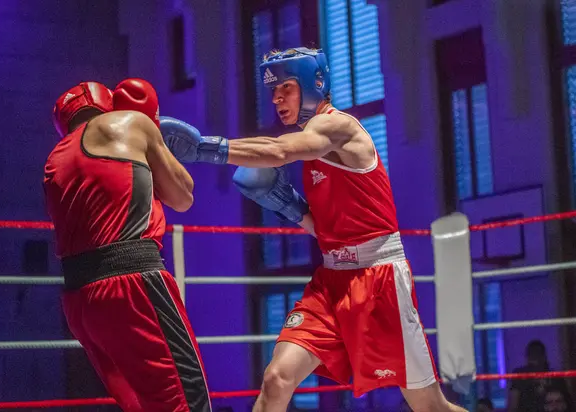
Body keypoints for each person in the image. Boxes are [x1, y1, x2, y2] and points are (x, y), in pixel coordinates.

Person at [157, 47, 466, 412]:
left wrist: (206, 149)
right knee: (276, 379)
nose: (275, 98)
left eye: (284, 87)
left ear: (313, 83)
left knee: (430, 406)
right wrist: (289, 205)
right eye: (272, 91)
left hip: (378, 279)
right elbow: (327, 231)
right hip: (331, 280)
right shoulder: (313, 144)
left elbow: (277, 151)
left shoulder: (337, 126)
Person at [44, 79, 211, 412]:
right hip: (132, 286)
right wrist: (155, 136)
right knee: (185, 404)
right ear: (108, 104)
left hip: (80, 303)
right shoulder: (132, 122)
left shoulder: (54, 160)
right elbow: (183, 196)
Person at [508, 340, 568, 412]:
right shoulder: (520, 375)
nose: (535, 359)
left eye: (537, 354)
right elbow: (513, 404)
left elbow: (565, 403)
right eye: (533, 354)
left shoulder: (555, 376)